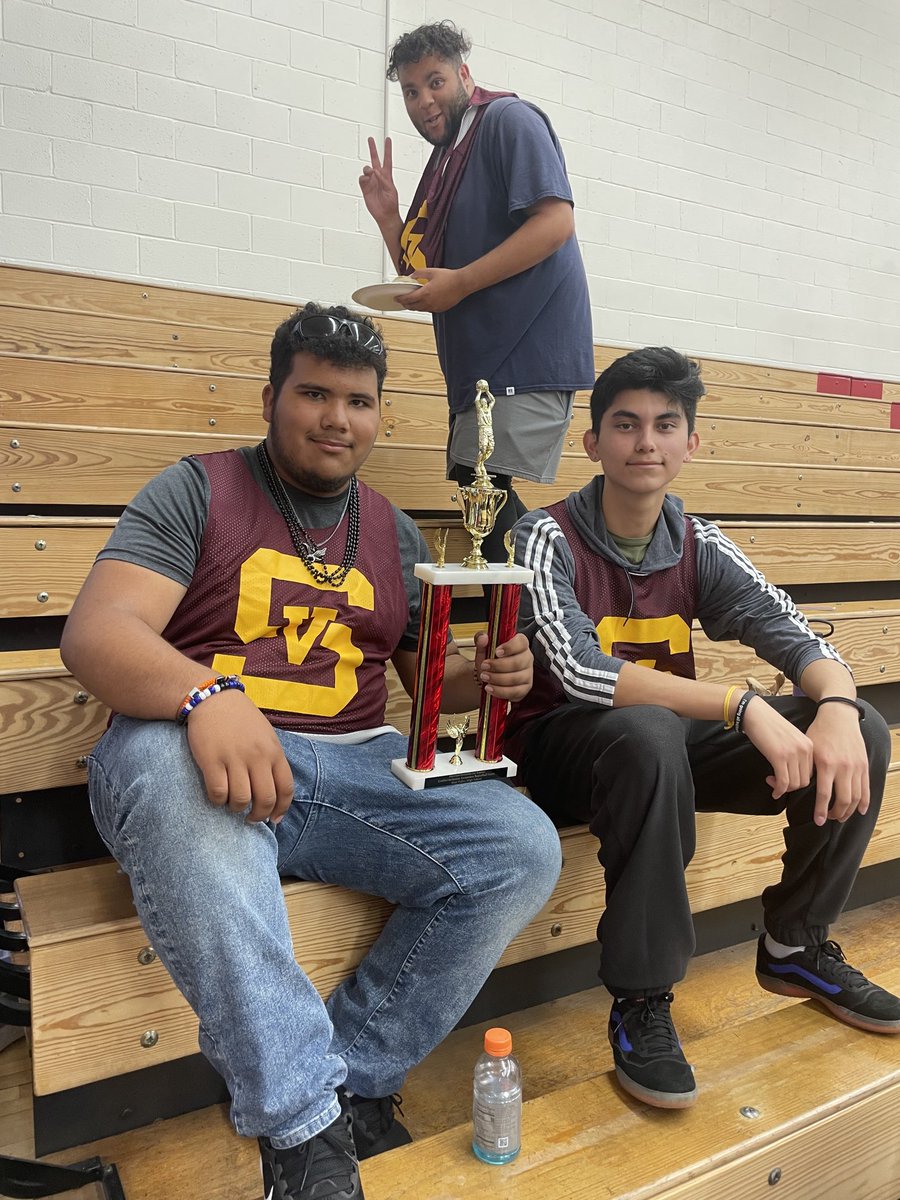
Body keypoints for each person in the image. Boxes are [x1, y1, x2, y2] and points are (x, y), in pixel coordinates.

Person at [60, 303, 562, 1200]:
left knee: (520, 847)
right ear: (270, 398)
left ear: (379, 416)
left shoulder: (392, 530)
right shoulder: (197, 489)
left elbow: (429, 690)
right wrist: (205, 693)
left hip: (352, 767)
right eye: (315, 393)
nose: (337, 418)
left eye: (359, 401)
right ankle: (303, 1137)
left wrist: (491, 675)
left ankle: (357, 1080)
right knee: (170, 774)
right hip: (190, 756)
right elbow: (97, 633)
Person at [506, 346, 900, 1111]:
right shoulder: (543, 536)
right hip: (563, 756)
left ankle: (796, 944)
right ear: (592, 444)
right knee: (651, 732)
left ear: (692, 443)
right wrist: (743, 706)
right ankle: (643, 1000)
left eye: (665, 424)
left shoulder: (696, 541)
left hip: (662, 758)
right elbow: (582, 674)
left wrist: (840, 710)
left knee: (866, 733)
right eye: (624, 424)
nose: (645, 442)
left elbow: (790, 631)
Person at [359, 19, 595, 565]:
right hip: (480, 362)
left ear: (464, 74)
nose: (424, 101)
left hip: (524, 349)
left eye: (435, 82)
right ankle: (533, 622)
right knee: (478, 492)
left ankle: (550, 616)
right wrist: (389, 217)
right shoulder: (446, 159)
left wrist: (462, 283)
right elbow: (421, 274)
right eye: (412, 91)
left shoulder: (508, 120)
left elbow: (556, 223)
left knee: (482, 490)